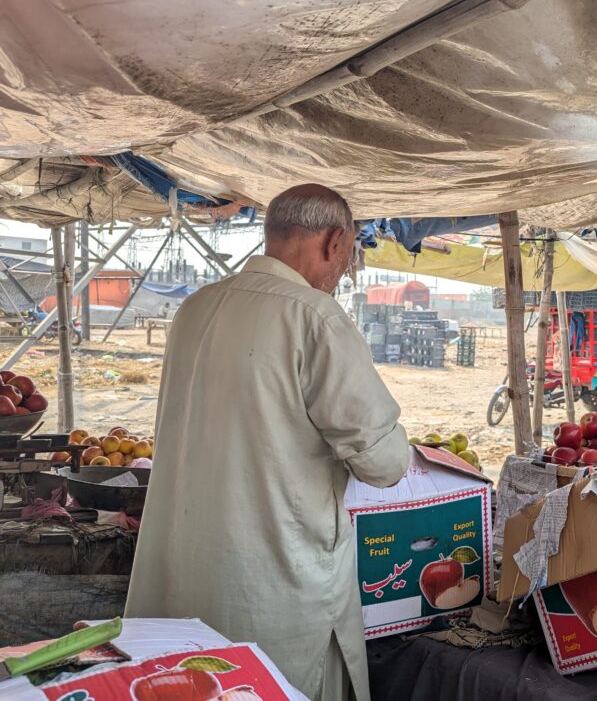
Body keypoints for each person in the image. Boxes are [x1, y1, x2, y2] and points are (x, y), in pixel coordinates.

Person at [126, 185, 410, 700]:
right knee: (269, 686)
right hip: (276, 580)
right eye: (348, 256)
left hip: (185, 571)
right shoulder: (316, 317)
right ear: (335, 243)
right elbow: (385, 462)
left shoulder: (195, 307)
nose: (344, 270)